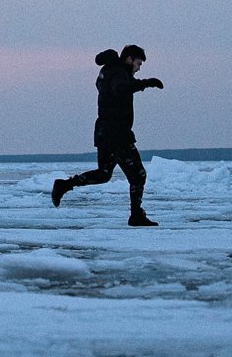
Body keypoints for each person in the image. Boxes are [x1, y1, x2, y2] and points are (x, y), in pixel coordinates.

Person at [52, 44, 164, 226]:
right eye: (138, 63)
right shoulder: (118, 72)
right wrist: (146, 83)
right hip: (117, 134)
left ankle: (64, 185)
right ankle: (136, 215)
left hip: (105, 132)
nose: (139, 68)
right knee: (138, 175)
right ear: (129, 59)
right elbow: (120, 89)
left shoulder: (109, 71)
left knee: (104, 174)